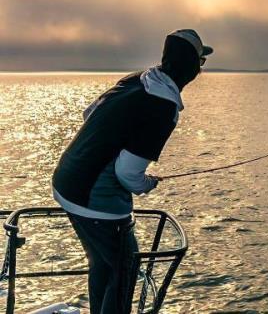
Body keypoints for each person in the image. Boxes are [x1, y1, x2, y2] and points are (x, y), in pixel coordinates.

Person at [52, 29, 212, 313]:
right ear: (191, 69)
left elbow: (89, 113)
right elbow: (128, 175)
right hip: (96, 201)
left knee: (102, 262)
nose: (200, 70)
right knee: (124, 268)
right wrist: (147, 184)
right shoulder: (162, 105)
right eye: (200, 63)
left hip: (65, 182)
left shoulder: (137, 79)